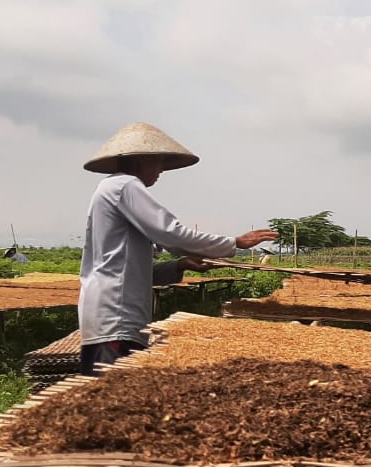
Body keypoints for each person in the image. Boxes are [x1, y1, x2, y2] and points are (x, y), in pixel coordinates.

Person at [78, 122, 278, 375]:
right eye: (159, 161)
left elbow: (132, 269)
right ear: (140, 160)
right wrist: (235, 243)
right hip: (115, 316)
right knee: (110, 400)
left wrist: (180, 265)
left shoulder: (113, 189)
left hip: (113, 315)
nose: (161, 170)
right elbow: (170, 233)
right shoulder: (124, 185)